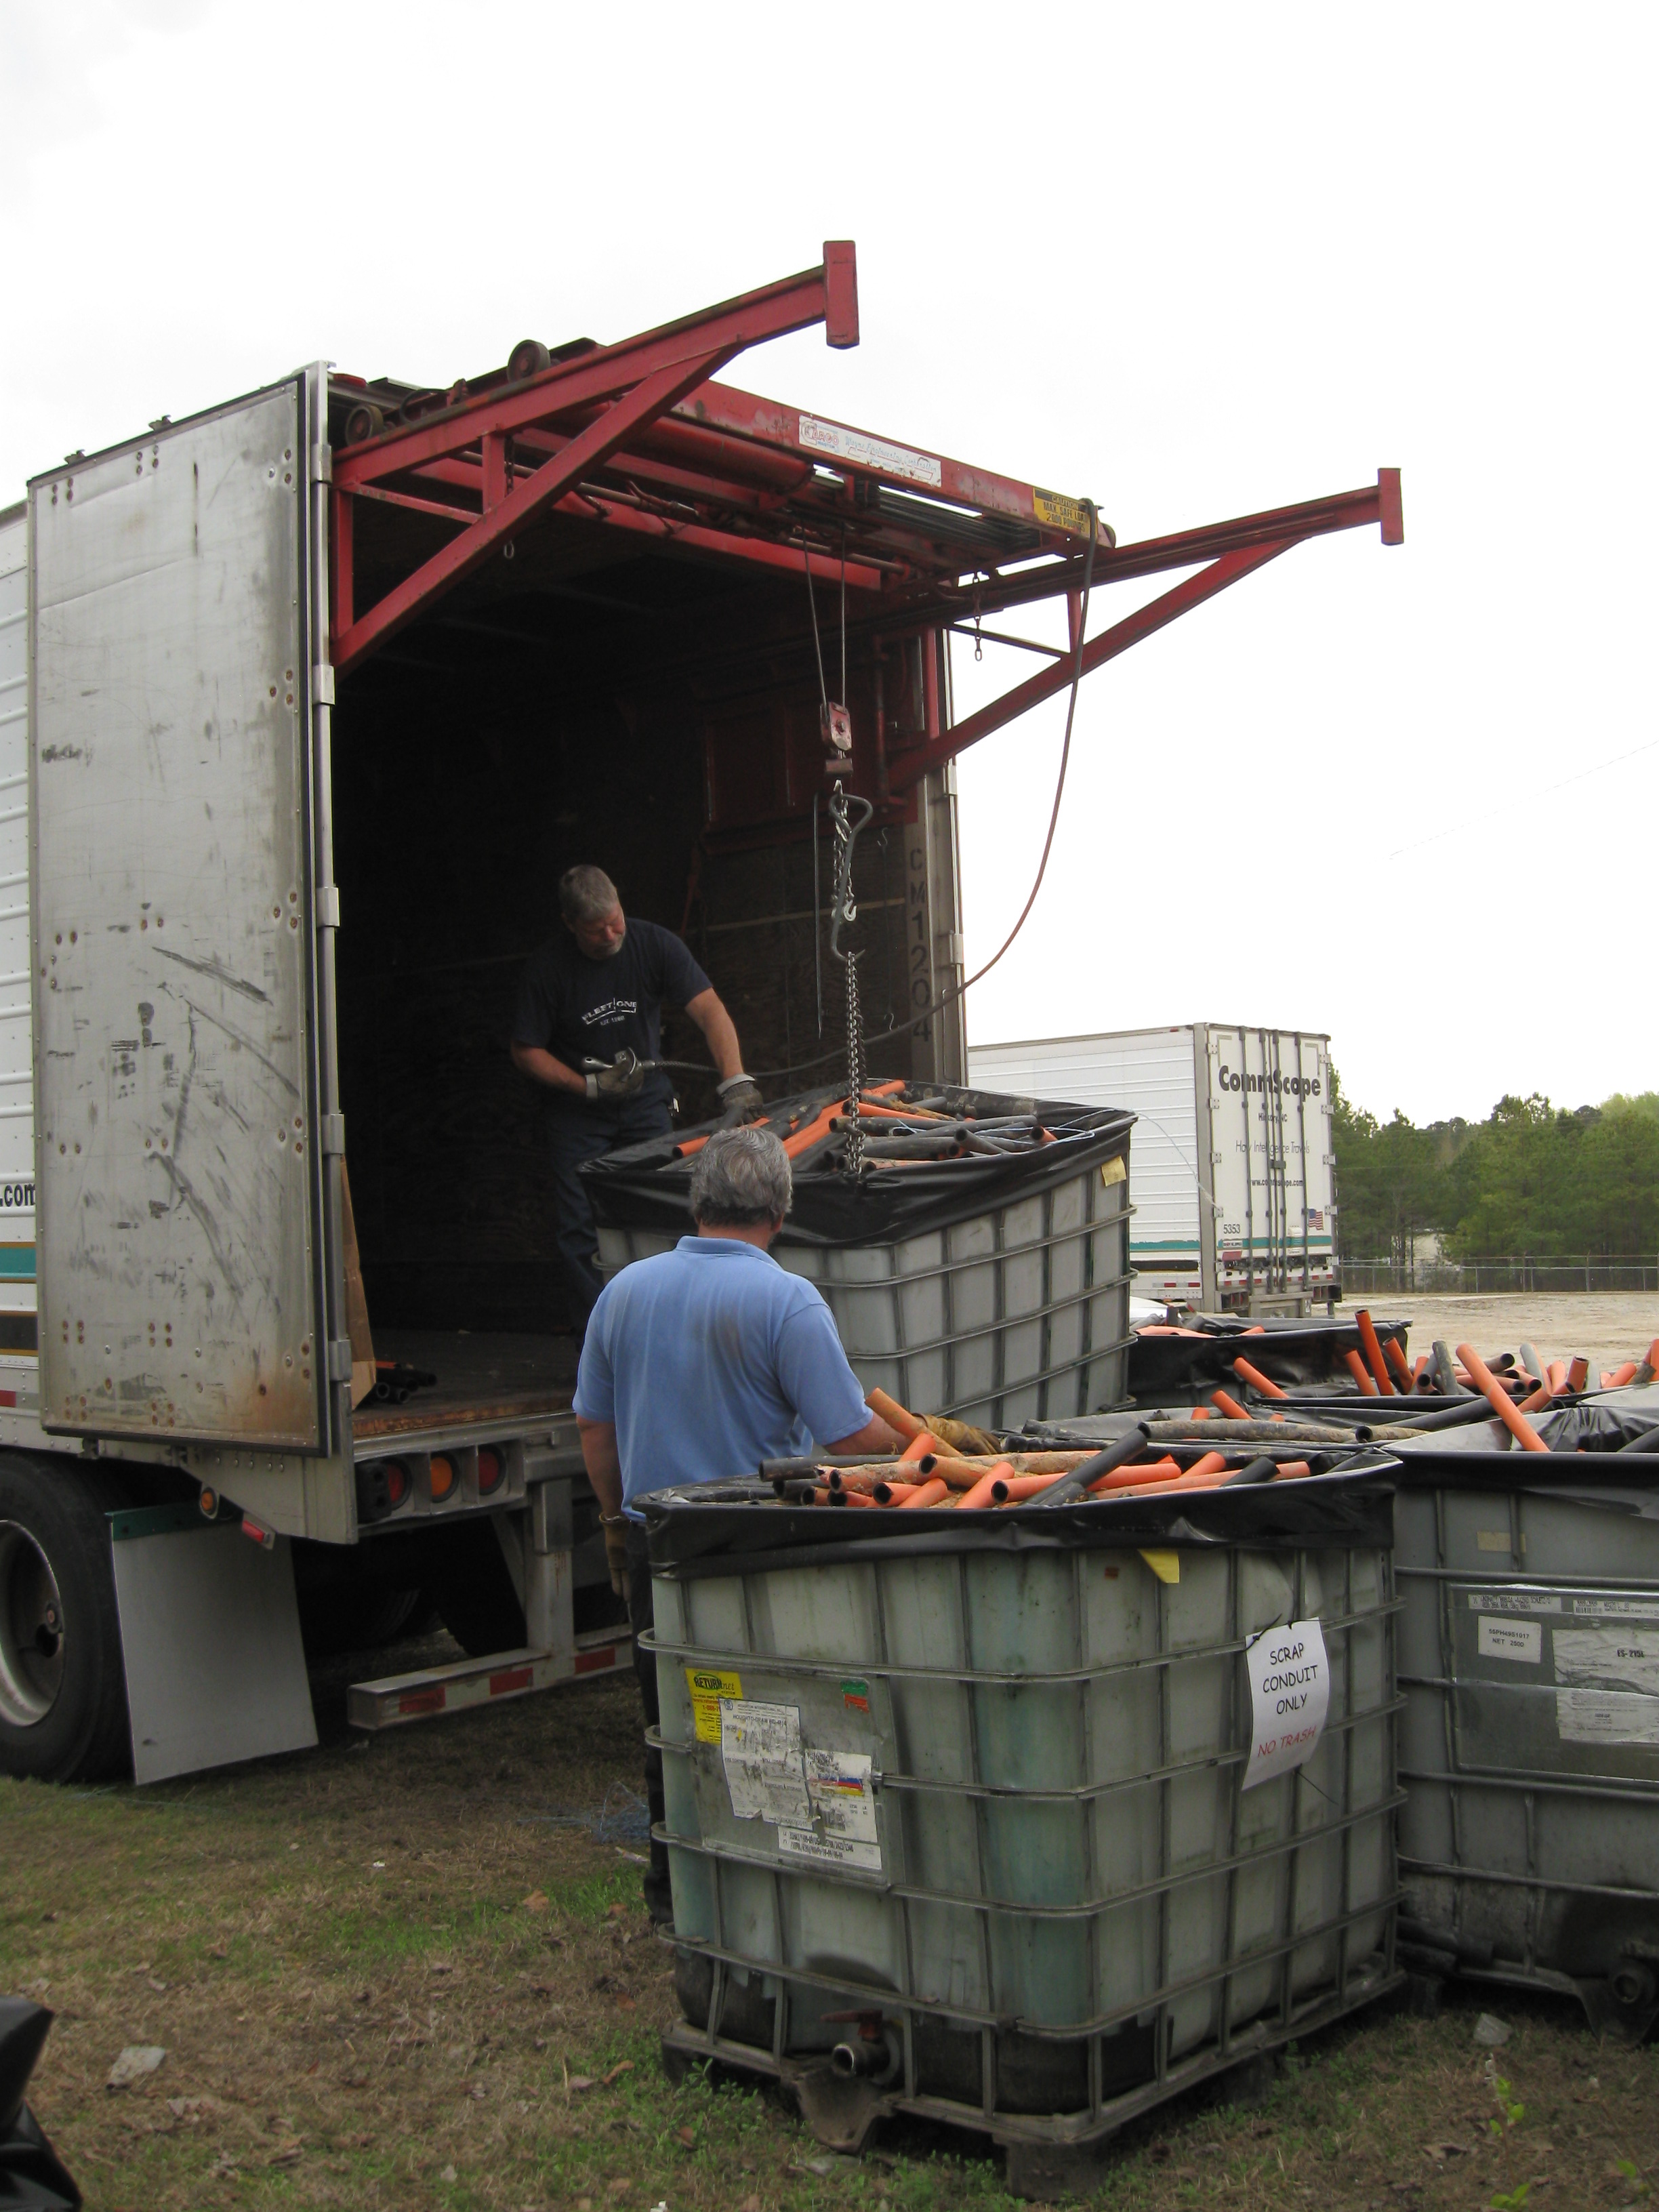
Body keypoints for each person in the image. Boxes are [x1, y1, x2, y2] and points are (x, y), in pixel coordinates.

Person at [572, 1125, 903, 1924]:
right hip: (757, 1553)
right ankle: (767, 1900)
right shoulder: (785, 1299)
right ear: (780, 1214)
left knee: (673, 1726)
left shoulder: (625, 1290)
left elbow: (593, 1426)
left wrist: (620, 1524)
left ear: (698, 1201)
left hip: (661, 1541)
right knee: (769, 1723)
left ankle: (673, 1901)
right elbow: (851, 1437)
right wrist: (931, 1443)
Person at [510, 864, 762, 1333]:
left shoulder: (654, 945)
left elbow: (709, 1009)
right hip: (578, 1115)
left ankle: (667, 1334)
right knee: (582, 1228)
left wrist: (735, 1079)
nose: (610, 934)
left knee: (662, 1211)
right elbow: (526, 1051)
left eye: (615, 921)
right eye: (595, 930)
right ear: (569, 924)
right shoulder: (548, 969)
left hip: (645, 1106)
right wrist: (585, 1086)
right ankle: (602, 1345)